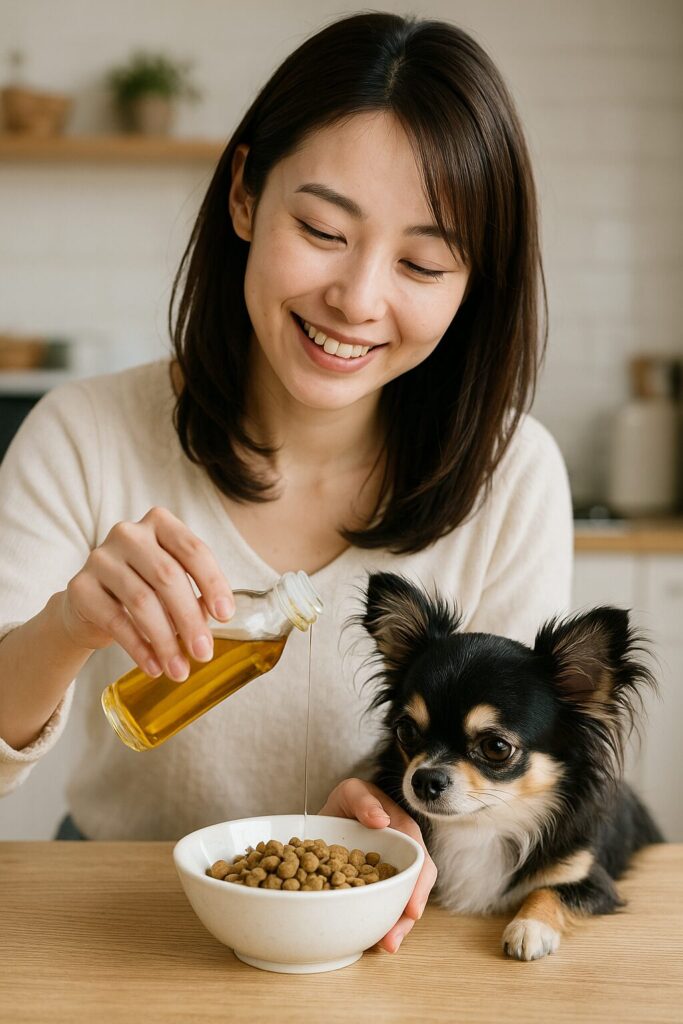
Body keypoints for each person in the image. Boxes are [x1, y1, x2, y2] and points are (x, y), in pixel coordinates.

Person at [0, 12, 573, 953]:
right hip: (115, 919)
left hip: (372, 936)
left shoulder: (514, 477)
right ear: (243, 194)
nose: (356, 299)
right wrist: (67, 627)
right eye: (321, 229)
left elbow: (508, 782)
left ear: (472, 284)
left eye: (422, 262)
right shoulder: (84, 433)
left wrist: (395, 818)